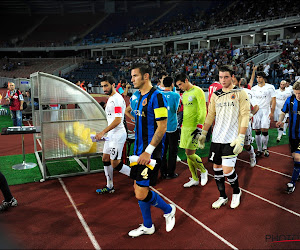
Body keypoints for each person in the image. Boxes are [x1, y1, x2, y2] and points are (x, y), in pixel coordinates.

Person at [128, 63, 175, 237]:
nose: (132, 79)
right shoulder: (137, 96)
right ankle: (148, 226)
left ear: (145, 76)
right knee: (138, 188)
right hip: (138, 150)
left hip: (150, 152)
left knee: (141, 193)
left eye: (135, 76)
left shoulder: (158, 97)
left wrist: (148, 150)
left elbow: (162, 127)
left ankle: (169, 210)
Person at [198, 65, 250, 209]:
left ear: (232, 77)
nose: (223, 80)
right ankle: (222, 196)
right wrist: (203, 133)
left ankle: (236, 192)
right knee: (216, 169)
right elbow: (210, 115)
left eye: (226, 77)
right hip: (217, 138)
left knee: (227, 170)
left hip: (232, 138)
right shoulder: (216, 95)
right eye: (220, 77)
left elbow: (245, 115)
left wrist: (241, 136)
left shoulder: (241, 93)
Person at [95, 76, 131, 194]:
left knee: (115, 163)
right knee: (105, 159)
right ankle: (109, 186)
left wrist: (103, 132)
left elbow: (117, 120)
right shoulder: (111, 98)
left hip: (117, 135)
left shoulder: (116, 99)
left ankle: (138, 177)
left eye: (106, 85)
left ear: (113, 85)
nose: (104, 88)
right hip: (111, 134)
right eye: (102, 86)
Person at [175, 73, 208, 188]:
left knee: (191, 153)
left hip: (195, 127)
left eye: (180, 84)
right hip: (185, 127)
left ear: (186, 80)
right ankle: (194, 178)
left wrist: (199, 127)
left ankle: (203, 171)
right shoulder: (184, 94)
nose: (180, 87)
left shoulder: (197, 91)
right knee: (187, 154)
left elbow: (203, 110)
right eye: (178, 85)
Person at [276, 80, 300, 194]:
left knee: (297, 158)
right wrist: (280, 121)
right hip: (292, 135)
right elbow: (283, 112)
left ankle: (292, 182)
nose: (298, 96)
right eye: (296, 93)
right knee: (294, 157)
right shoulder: (290, 100)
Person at [251, 71, 276, 157]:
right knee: (257, 131)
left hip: (266, 111)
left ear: (264, 78)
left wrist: (272, 112)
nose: (258, 79)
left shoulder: (270, 87)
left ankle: (265, 148)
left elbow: (273, 100)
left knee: (264, 129)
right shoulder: (254, 89)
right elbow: (251, 100)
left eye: (260, 77)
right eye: (257, 77)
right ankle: (259, 149)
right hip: (257, 111)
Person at [161, 76, 180, 179]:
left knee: (162, 151)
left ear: (163, 84)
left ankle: (163, 172)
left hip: (161, 127)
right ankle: (170, 173)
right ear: (172, 84)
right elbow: (175, 110)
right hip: (172, 126)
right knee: (172, 151)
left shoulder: (159, 94)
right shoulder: (175, 95)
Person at [239, 78, 259, 167]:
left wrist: (250, 115)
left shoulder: (249, 92)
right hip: (234, 122)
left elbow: (256, 106)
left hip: (245, 122)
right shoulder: (232, 91)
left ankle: (252, 156)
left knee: (246, 145)